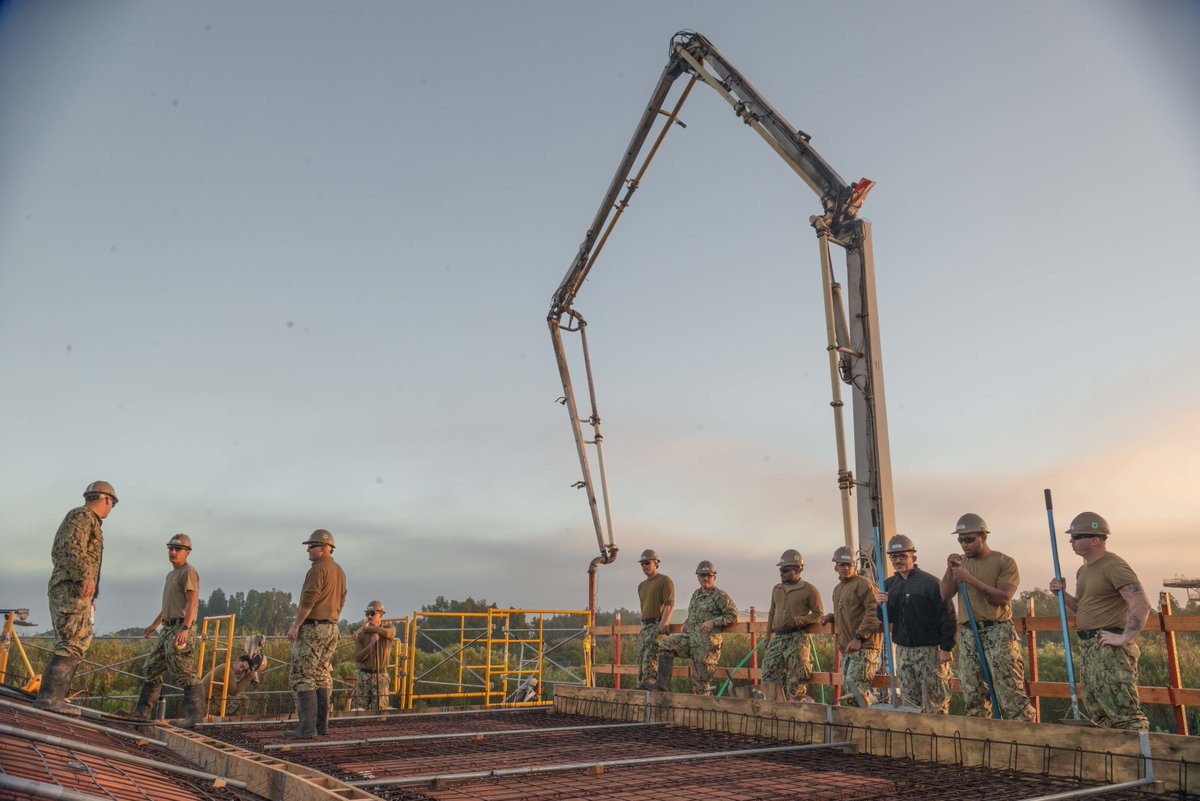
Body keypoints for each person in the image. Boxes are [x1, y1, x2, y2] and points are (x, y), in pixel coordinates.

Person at [1049, 512, 1150, 731]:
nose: (1071, 541)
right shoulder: (1083, 570)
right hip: (1089, 646)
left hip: (1109, 647)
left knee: (1124, 713)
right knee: (1099, 713)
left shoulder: (1114, 566)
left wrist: (1124, 637)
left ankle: (1141, 762)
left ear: (1095, 539)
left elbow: (1141, 603)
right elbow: (1082, 608)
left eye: (1076, 536)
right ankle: (1113, 761)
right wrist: (1063, 594)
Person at [940, 513, 1035, 721]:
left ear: (983, 537)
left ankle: (1024, 738)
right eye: (960, 540)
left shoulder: (1004, 562)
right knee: (972, 691)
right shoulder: (960, 564)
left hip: (997, 631)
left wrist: (969, 579)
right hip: (968, 633)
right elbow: (946, 594)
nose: (964, 544)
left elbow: (1002, 597)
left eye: (969, 539)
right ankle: (982, 740)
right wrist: (950, 570)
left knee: (1009, 691)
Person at [35, 481, 119, 711]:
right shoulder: (82, 516)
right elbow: (72, 547)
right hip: (70, 589)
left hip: (75, 590)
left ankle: (53, 698)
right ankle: (50, 700)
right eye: (112, 504)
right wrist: (85, 577)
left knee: (77, 639)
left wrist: (90, 597)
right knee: (73, 641)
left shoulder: (87, 520)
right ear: (107, 500)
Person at [128, 534, 204, 727]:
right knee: (151, 667)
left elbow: (192, 604)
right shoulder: (171, 575)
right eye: (170, 548)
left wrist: (186, 629)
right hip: (168, 628)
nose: (172, 552)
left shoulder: (188, 573)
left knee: (183, 670)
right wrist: (155, 625)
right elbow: (169, 606)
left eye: (177, 549)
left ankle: (195, 717)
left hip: (181, 627)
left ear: (187, 552)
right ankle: (141, 713)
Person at [875, 534, 956, 713]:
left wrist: (946, 648)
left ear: (914, 557)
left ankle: (940, 738)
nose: (898, 560)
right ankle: (916, 737)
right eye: (894, 557)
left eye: (903, 556)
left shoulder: (931, 583)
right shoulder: (889, 584)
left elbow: (948, 616)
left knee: (936, 700)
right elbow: (887, 618)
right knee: (910, 702)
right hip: (903, 651)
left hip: (930, 650)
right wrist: (881, 605)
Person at [284, 529, 346, 739]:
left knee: (302, 675)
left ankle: (307, 728)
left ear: (324, 548)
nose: (308, 550)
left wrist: (295, 627)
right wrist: (333, 618)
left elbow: (308, 601)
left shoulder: (317, 570)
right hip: (332, 628)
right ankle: (321, 726)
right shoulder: (339, 571)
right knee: (320, 674)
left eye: (311, 546)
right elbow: (342, 599)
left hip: (314, 627)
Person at [655, 561, 738, 694]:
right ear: (698, 578)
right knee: (666, 644)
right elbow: (694, 614)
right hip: (691, 640)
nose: (705, 578)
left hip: (706, 646)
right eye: (702, 575)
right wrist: (687, 623)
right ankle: (661, 688)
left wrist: (713, 622)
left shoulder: (720, 595)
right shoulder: (696, 595)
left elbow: (733, 615)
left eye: (709, 576)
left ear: (714, 577)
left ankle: (704, 710)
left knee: (700, 686)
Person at [761, 549, 824, 702]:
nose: (781, 573)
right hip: (778, 638)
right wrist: (768, 637)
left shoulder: (809, 590)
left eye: (785, 570)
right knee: (769, 674)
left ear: (797, 569)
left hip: (798, 638)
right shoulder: (776, 589)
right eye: (780, 570)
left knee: (796, 679)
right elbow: (771, 613)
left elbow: (818, 614)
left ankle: (797, 714)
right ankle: (774, 710)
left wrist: (798, 621)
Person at [822, 547, 880, 708]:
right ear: (836, 567)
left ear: (855, 566)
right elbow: (850, 612)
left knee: (855, 688)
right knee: (850, 691)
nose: (846, 568)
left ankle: (873, 703)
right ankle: (863, 718)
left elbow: (874, 612)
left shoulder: (864, 585)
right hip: (848, 648)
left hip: (864, 647)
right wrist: (831, 617)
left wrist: (859, 637)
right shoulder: (838, 589)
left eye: (849, 565)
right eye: (842, 565)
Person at [635, 549, 674, 690]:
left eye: (647, 563)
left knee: (651, 664)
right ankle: (643, 699)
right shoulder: (641, 586)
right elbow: (643, 609)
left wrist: (662, 626)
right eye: (642, 564)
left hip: (657, 626)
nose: (644, 566)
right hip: (645, 628)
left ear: (656, 563)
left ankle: (653, 700)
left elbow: (669, 605)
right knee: (641, 664)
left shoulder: (664, 581)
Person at [352, 600, 397, 711]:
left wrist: (366, 628)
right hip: (364, 676)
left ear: (381, 615)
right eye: (367, 614)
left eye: (372, 613)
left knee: (380, 711)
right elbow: (358, 657)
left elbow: (388, 634)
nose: (369, 616)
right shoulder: (361, 634)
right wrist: (370, 645)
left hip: (381, 676)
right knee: (360, 711)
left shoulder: (389, 629)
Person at [201, 651, 265, 717]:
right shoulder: (228, 671)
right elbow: (234, 691)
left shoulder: (226, 666)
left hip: (205, 699)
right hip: (206, 703)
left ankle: (225, 721)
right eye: (241, 666)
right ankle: (234, 724)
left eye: (243, 670)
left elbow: (233, 688)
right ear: (237, 661)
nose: (241, 670)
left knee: (239, 697)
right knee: (244, 700)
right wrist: (248, 677)